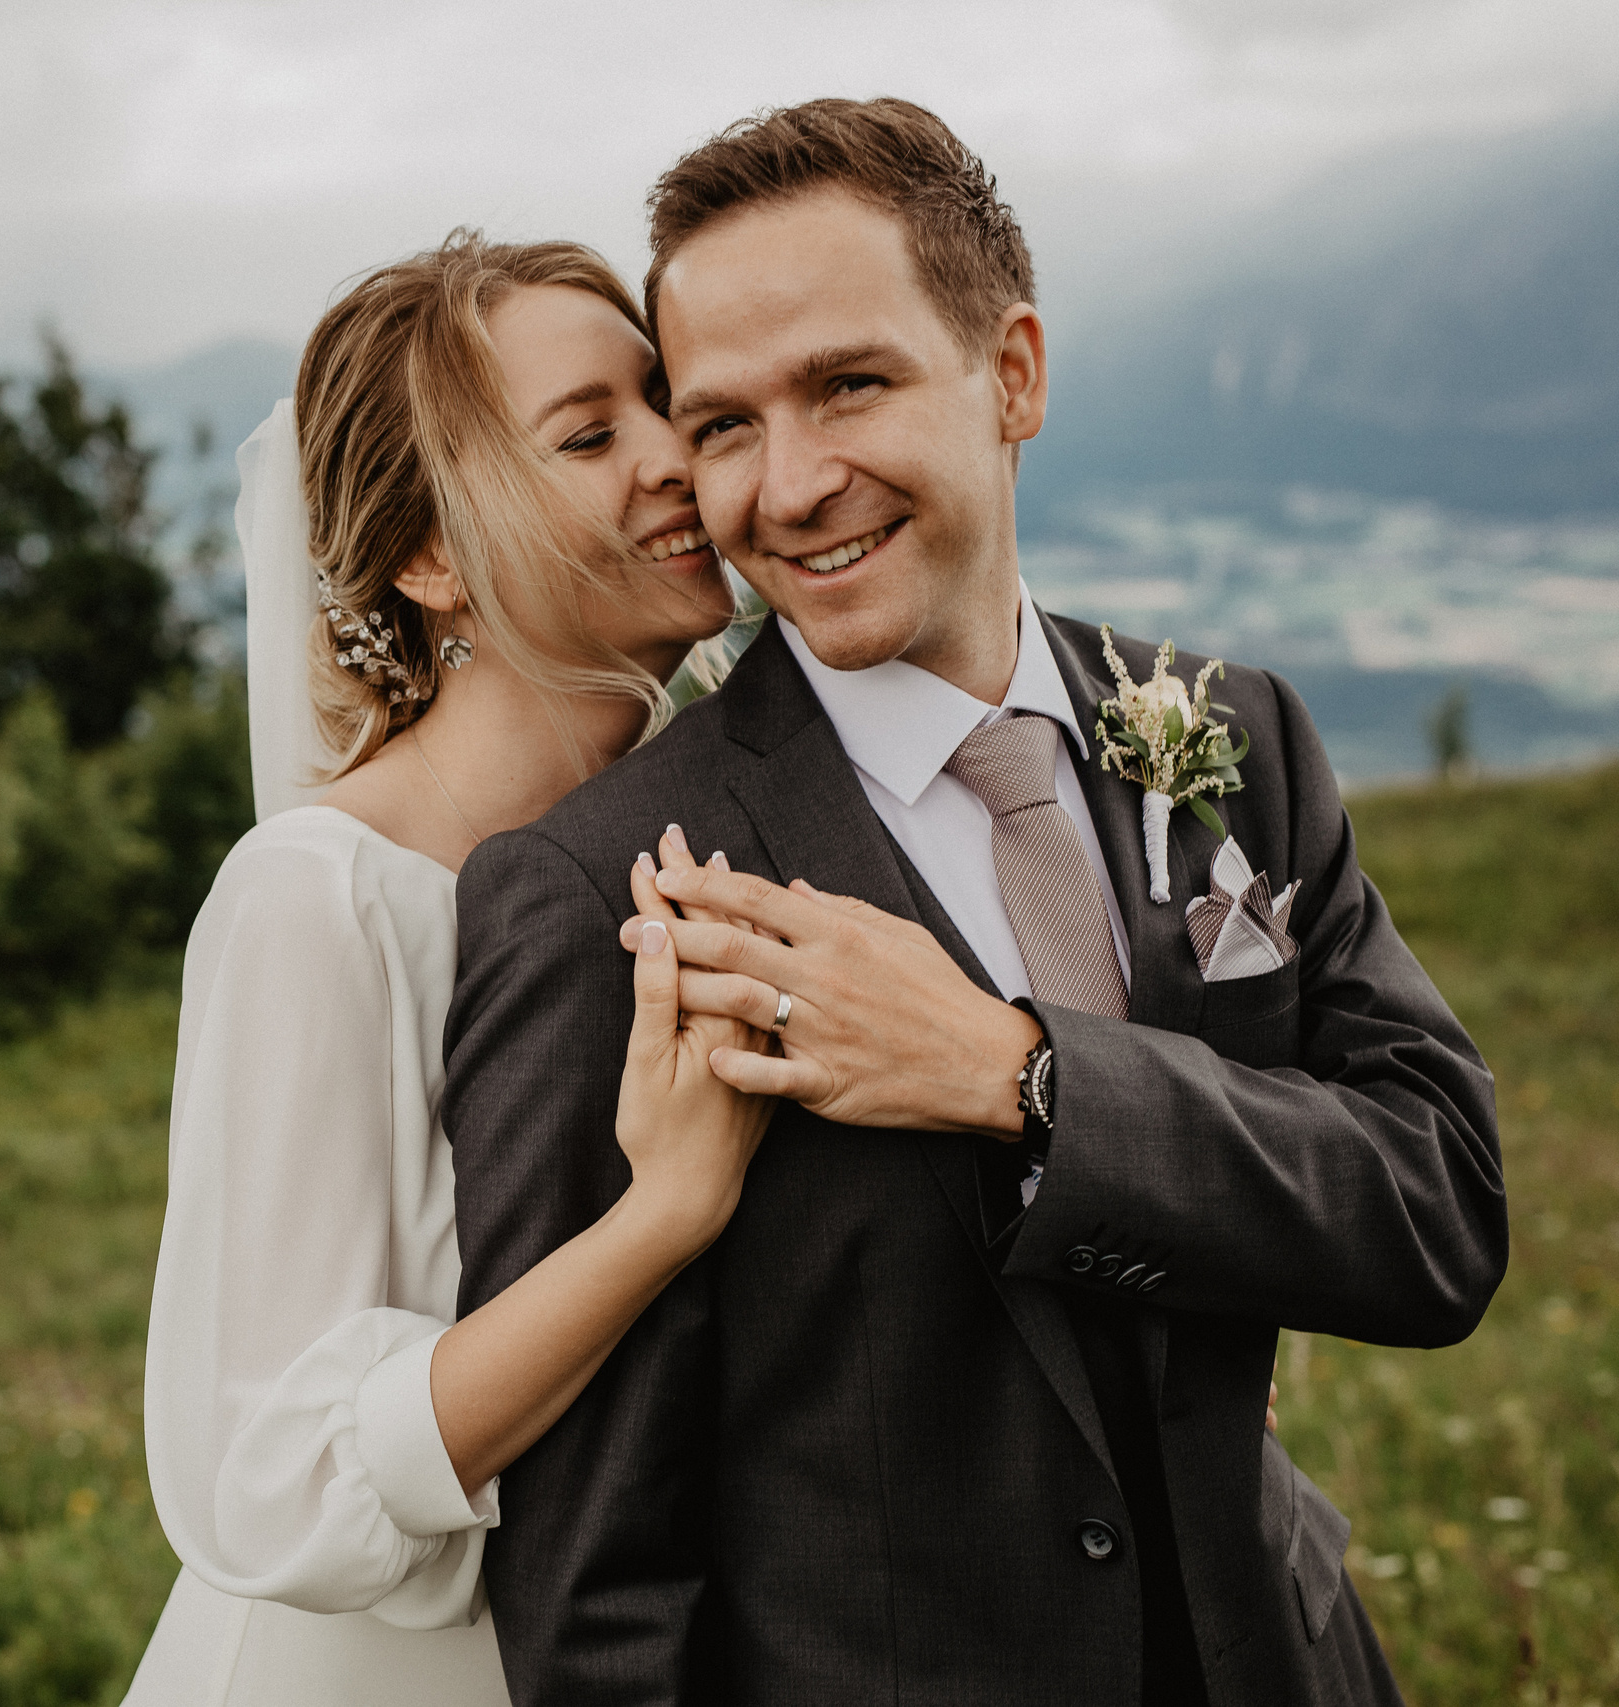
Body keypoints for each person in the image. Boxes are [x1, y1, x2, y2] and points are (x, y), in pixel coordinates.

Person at [444, 99, 1507, 1706]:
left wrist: (1024, 1080)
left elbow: (1438, 1217)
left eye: (847, 385)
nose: (789, 486)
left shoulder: (1236, 737)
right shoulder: (602, 890)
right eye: (723, 423)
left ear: (1011, 373)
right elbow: (596, 1586)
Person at [123, 235, 770, 1707]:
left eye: (665, 403)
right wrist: (661, 1217)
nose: (679, 456)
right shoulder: (320, 902)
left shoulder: (700, 848)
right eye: (592, 434)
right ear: (428, 558)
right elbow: (270, 1477)